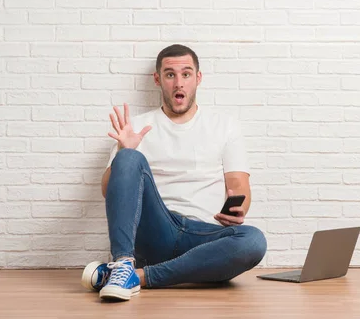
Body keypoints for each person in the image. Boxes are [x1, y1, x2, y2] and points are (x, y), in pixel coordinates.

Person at [80, 44, 267, 301]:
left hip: (203, 235)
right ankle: (123, 263)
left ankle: (137, 277)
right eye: (170, 75)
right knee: (129, 157)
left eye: (186, 74)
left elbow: (239, 184)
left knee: (253, 241)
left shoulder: (224, 125)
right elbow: (107, 191)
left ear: (198, 78)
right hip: (155, 229)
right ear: (158, 79)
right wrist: (124, 151)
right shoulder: (136, 127)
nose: (178, 83)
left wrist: (238, 208)